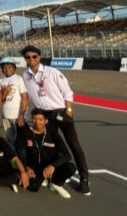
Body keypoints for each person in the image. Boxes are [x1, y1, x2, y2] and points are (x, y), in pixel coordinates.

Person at [21, 45, 90, 196]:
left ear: (39, 57)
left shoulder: (52, 72)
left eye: (34, 56)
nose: (31, 59)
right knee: (51, 146)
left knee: (74, 145)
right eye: (28, 57)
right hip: (44, 116)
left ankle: (84, 179)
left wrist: (69, 111)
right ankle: (55, 175)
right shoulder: (25, 76)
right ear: (25, 59)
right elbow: (25, 96)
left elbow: (67, 91)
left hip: (60, 112)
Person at [16, 109, 76, 199]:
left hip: (50, 166)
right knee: (33, 187)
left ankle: (56, 184)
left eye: (40, 119)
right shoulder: (26, 132)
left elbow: (67, 155)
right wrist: (26, 168)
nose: (37, 122)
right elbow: (19, 151)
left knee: (71, 168)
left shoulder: (53, 134)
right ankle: (40, 179)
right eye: (35, 119)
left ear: (46, 121)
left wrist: (53, 165)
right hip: (35, 167)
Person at [0, 57, 28, 149]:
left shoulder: (19, 79)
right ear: (2, 70)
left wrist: (22, 115)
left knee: (21, 139)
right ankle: (13, 156)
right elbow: (1, 100)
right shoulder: (0, 81)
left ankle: (23, 156)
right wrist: (5, 92)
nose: (7, 69)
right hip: (6, 116)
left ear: (14, 68)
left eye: (9, 67)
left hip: (17, 116)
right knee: (9, 139)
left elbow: (25, 98)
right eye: (4, 67)